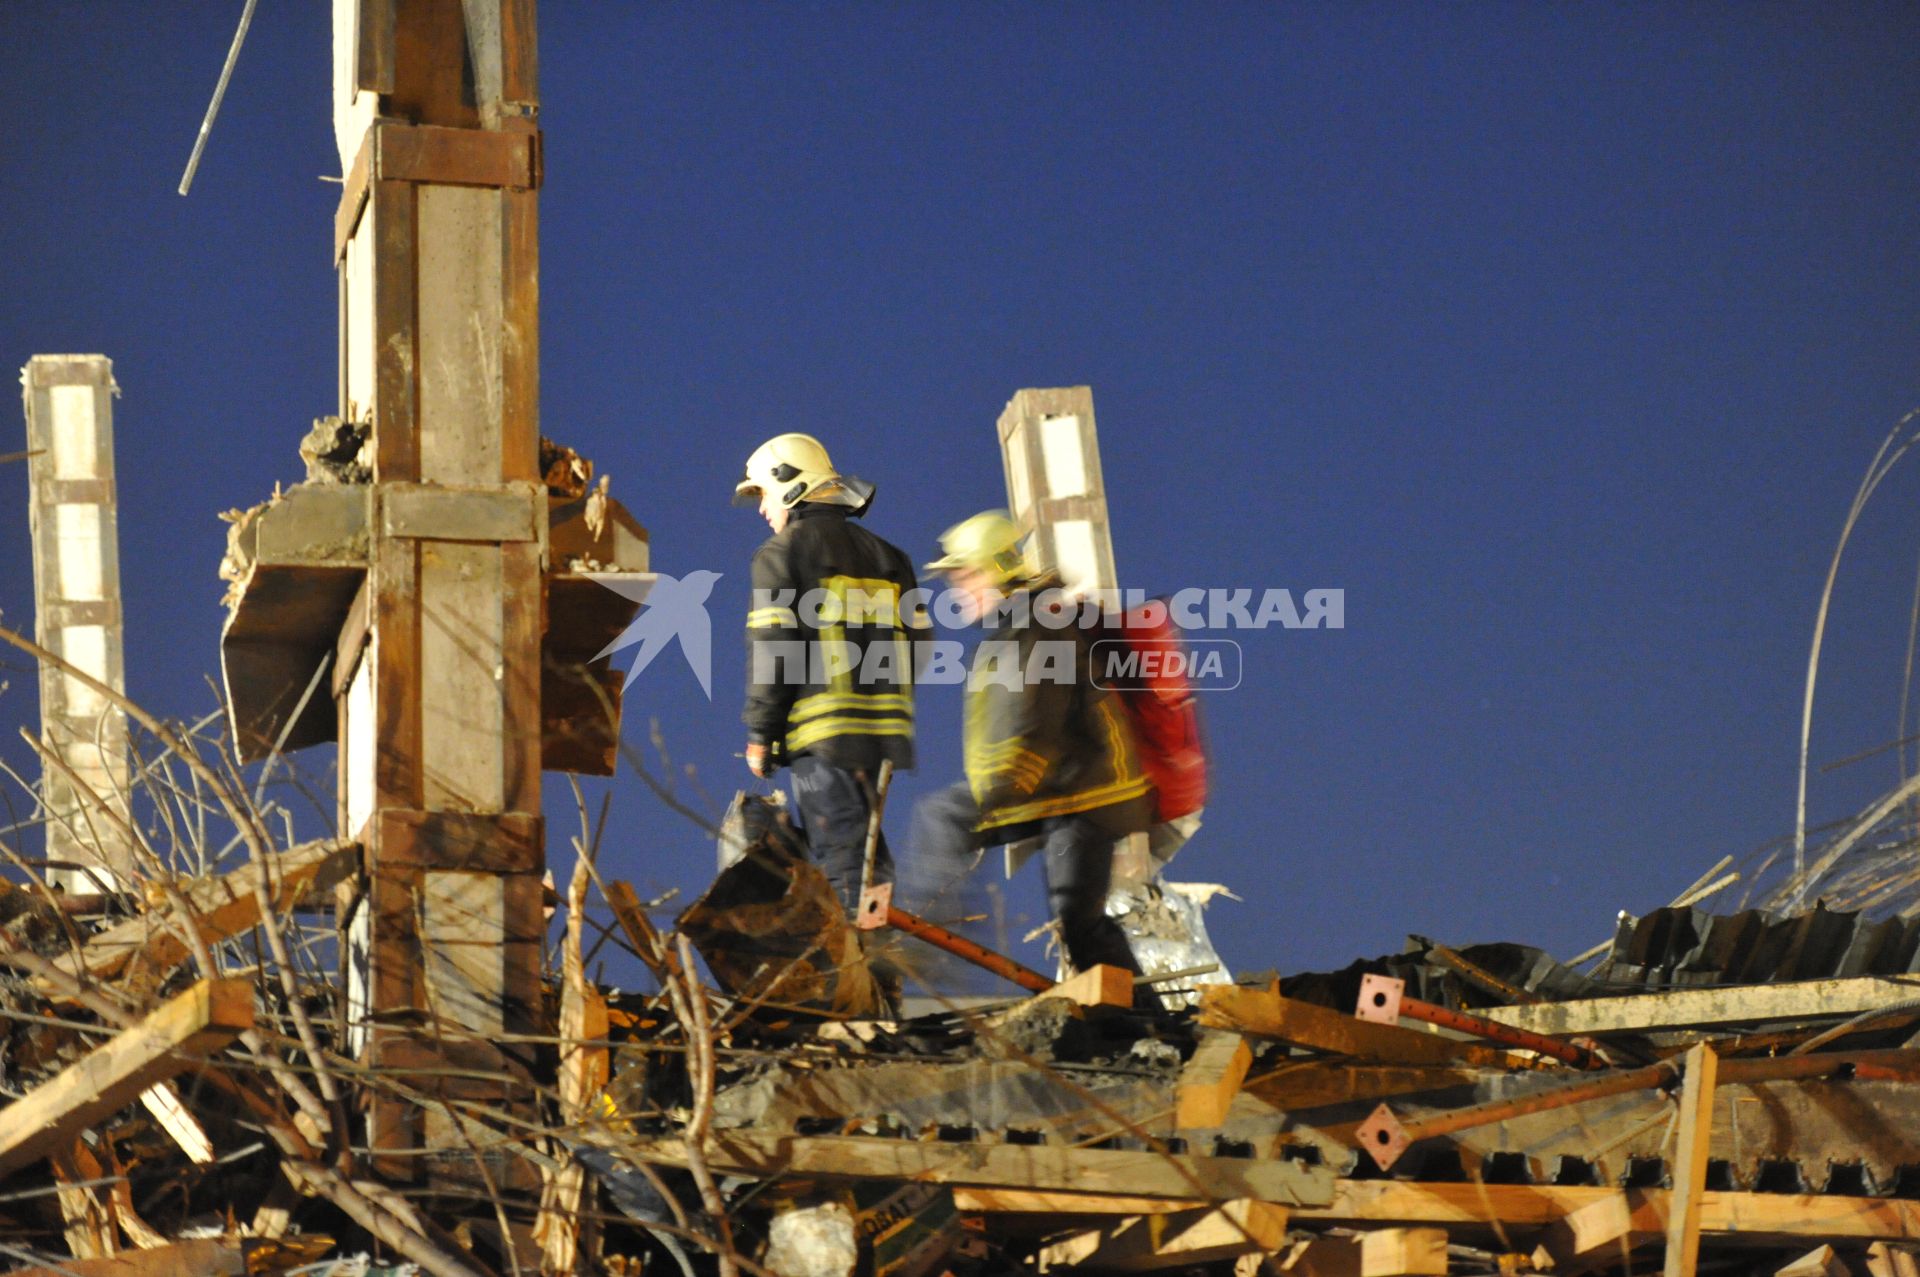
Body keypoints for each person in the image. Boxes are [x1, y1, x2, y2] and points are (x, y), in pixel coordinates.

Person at [909, 510, 1154, 975]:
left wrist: (998, 795)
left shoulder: (1037, 627)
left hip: (1086, 793)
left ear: (996, 571)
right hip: (1066, 790)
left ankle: (921, 946)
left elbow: (1036, 726)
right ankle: (1142, 1024)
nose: (957, 590)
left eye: (965, 576)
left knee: (943, 816)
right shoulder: (1019, 626)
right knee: (1082, 923)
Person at [733, 433, 929, 917]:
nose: (761, 510)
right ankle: (880, 966)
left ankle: (857, 970)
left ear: (788, 482)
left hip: (822, 737)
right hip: (882, 736)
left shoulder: (781, 553)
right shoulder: (891, 557)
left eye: (762, 494)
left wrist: (761, 733)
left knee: (841, 858)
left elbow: (773, 650)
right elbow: (919, 647)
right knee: (867, 854)